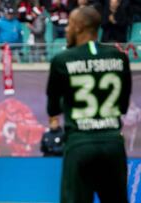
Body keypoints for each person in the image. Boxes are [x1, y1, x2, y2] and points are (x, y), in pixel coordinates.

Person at [46, 6, 132, 203]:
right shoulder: (119, 57)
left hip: (80, 144)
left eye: (69, 25)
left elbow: (52, 109)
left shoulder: (62, 60)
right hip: (112, 144)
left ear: (78, 27)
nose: (66, 30)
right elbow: (123, 106)